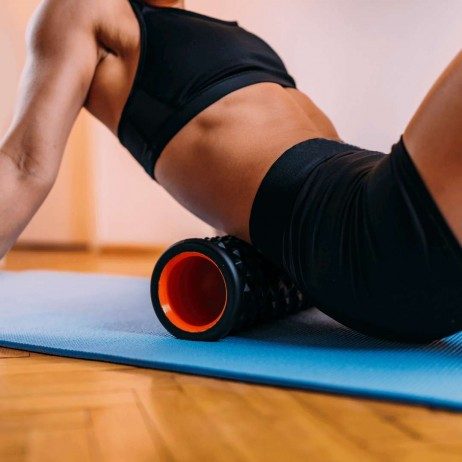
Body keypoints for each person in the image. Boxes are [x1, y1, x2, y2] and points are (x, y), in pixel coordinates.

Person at [0, 0, 461, 342]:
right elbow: (23, 164)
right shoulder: (91, 9)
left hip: (372, 203)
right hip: (361, 237)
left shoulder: (214, 27)